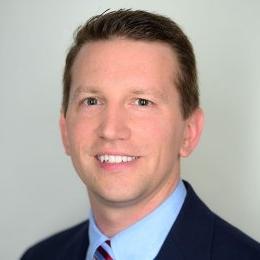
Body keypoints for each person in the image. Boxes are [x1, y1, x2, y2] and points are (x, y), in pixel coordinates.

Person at [21, 9, 260, 260]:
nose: (111, 130)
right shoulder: (39, 255)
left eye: (142, 102)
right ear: (65, 130)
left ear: (189, 133)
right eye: (92, 101)